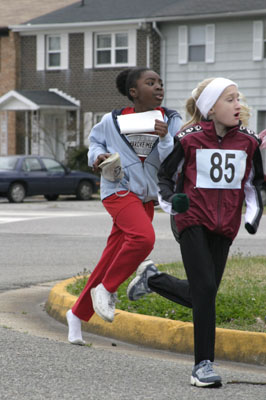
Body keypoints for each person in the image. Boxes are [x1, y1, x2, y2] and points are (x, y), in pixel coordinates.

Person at [127, 77, 264, 388]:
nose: (237, 105)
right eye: (230, 99)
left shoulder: (248, 141)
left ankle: (152, 279)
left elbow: (254, 184)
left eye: (238, 98)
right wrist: (171, 204)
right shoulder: (188, 139)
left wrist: (253, 216)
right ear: (211, 108)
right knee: (204, 290)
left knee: (204, 293)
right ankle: (202, 364)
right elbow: (165, 176)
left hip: (225, 226)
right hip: (191, 220)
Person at [66, 67, 182, 345]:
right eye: (150, 83)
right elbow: (95, 142)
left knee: (112, 256)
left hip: (146, 198)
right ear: (134, 92)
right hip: (117, 189)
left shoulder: (170, 120)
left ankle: (76, 314)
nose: (158, 87)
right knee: (143, 239)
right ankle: (106, 289)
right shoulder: (112, 120)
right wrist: (98, 156)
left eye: (160, 83)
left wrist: (166, 138)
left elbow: (173, 160)